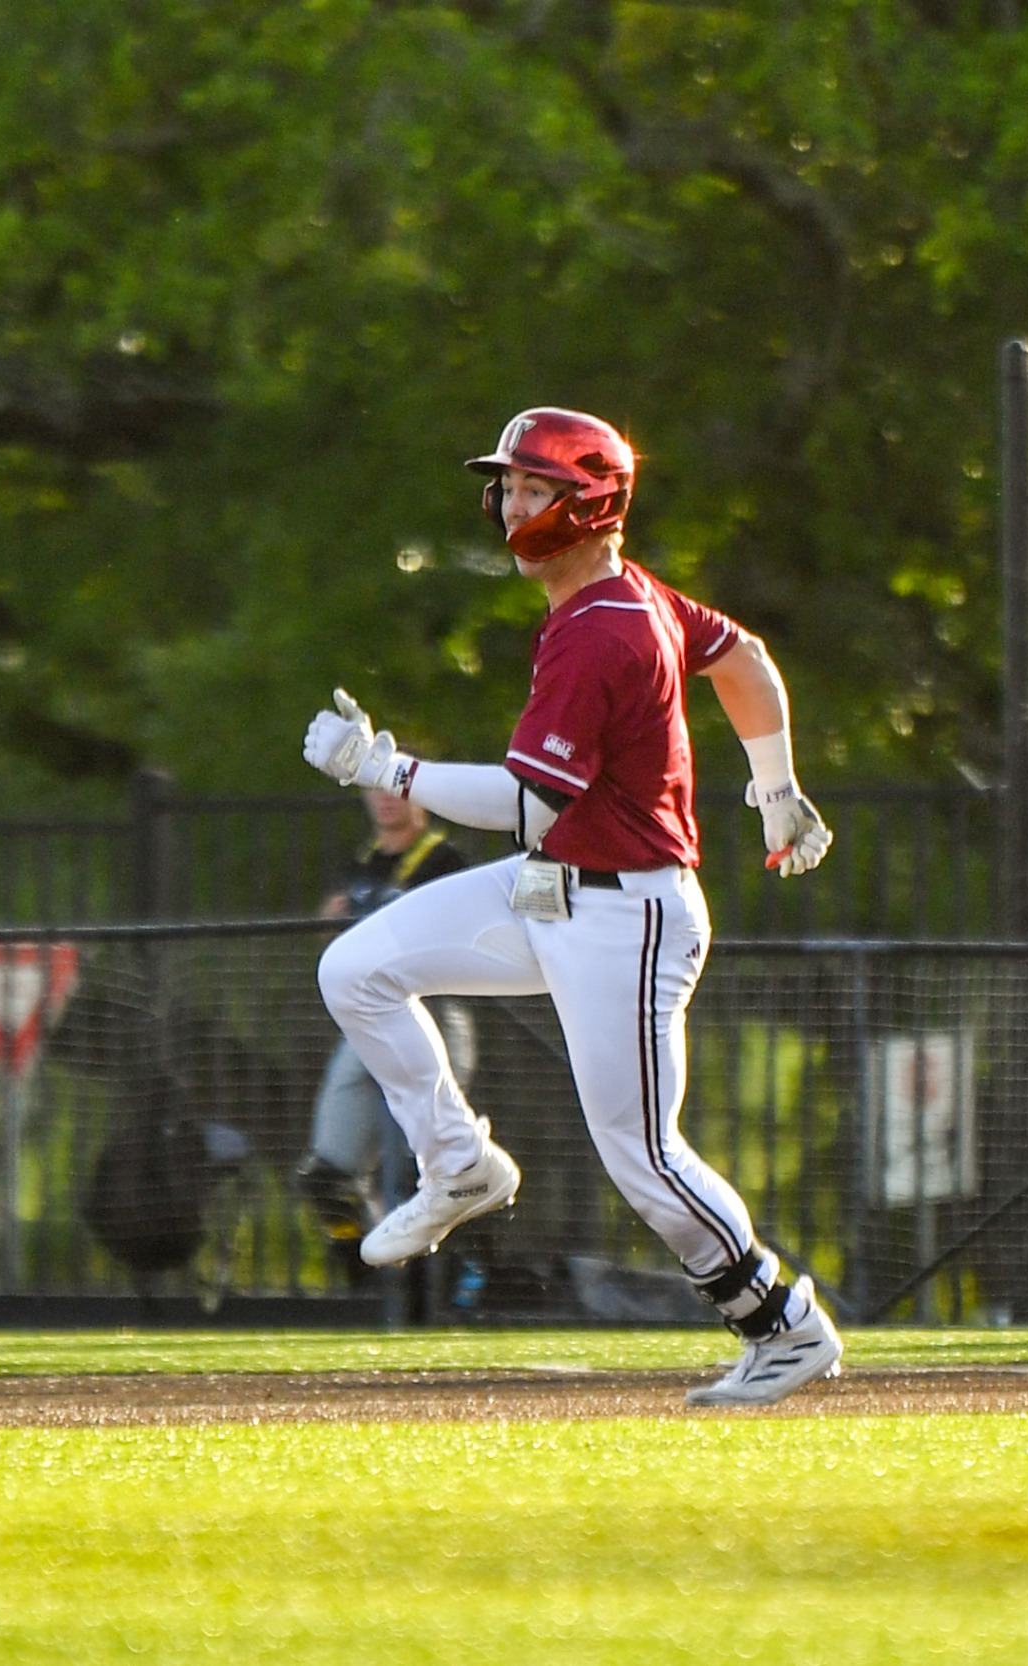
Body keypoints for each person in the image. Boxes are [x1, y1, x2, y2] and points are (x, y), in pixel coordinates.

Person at [301, 406, 842, 1405]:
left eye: (532, 486)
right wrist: (774, 788)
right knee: (355, 968)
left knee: (641, 1157)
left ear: (587, 504)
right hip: (562, 894)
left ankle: (781, 1324)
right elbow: (744, 658)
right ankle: (458, 1164)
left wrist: (385, 766)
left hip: (625, 917)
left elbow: (522, 804)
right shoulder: (621, 600)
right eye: (506, 484)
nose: (509, 502)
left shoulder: (603, 629)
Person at [294, 786, 472, 1247]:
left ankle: (440, 1290)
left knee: (423, 1177)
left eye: (397, 789)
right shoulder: (362, 864)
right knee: (326, 1176)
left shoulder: (445, 860)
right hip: (367, 1025)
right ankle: (369, 1268)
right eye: (374, 790)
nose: (385, 800)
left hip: (430, 1016)